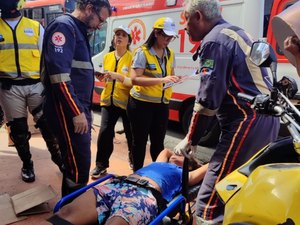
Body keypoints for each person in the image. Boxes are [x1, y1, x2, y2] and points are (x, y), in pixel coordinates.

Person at [173, 0, 280, 224]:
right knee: (242, 185)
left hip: (246, 121)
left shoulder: (213, 40)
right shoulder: (235, 33)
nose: (184, 26)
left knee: (210, 201)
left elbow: (208, 100)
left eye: (185, 19)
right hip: (266, 120)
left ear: (198, 16)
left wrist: (190, 139)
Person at [41, 0, 112, 196]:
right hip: (68, 109)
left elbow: (72, 67)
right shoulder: (64, 27)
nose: (100, 25)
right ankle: (71, 213)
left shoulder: (77, 30)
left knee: (78, 162)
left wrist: (93, 72)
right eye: (101, 19)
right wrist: (76, 112)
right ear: (89, 9)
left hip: (77, 107)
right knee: (77, 164)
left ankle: (73, 210)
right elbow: (59, 77)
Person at [42, 149, 209, 225]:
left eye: (181, 156)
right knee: (65, 212)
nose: (177, 155)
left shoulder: (184, 174)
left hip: (143, 196)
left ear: (190, 166)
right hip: (117, 184)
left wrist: (189, 160)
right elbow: (166, 151)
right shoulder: (160, 162)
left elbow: (210, 166)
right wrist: (179, 152)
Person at [0, 0, 63, 183]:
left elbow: (48, 58)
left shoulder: (35, 27)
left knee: (48, 125)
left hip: (36, 85)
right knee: (18, 132)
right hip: (9, 88)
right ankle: (27, 164)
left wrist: (52, 87)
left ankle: (60, 161)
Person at [127, 17, 181, 171]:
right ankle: (137, 173)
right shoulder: (142, 52)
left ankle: (157, 174)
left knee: (158, 143)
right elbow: (134, 79)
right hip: (141, 105)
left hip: (162, 105)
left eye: (171, 37)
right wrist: (162, 80)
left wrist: (174, 80)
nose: (168, 40)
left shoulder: (170, 54)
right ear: (156, 33)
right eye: (165, 36)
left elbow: (170, 75)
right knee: (139, 142)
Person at [91, 25, 134, 178]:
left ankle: (134, 160)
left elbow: (133, 82)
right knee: (104, 132)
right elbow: (107, 79)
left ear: (129, 40)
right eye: (117, 34)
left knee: (131, 134)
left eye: (123, 35)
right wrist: (102, 77)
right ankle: (101, 165)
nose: (119, 37)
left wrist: (117, 76)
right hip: (108, 100)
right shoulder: (108, 57)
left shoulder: (133, 57)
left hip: (127, 102)